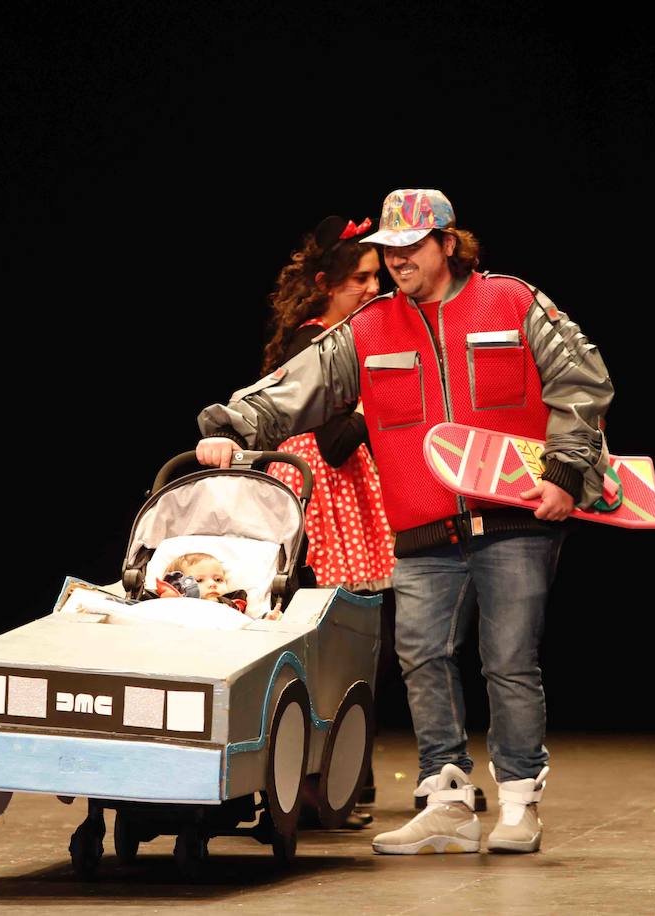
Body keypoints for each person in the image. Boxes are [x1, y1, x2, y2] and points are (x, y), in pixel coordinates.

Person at [196, 189, 614, 855]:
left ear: (448, 243)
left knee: (508, 662)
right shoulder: (369, 328)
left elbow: (583, 381)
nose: (396, 262)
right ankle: (444, 798)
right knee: (422, 659)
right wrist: (230, 426)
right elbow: (295, 388)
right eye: (389, 251)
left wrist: (565, 473)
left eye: (411, 247)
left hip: (514, 523)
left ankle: (518, 802)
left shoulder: (510, 301)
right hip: (421, 531)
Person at [258, 215, 397, 829]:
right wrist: (384, 393)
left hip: (345, 503)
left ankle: (343, 776)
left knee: (353, 641)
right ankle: (310, 781)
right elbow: (337, 442)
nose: (373, 287)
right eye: (359, 279)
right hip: (319, 504)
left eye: (377, 276)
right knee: (326, 641)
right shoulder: (314, 346)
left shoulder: (344, 341)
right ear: (325, 284)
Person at [155, 552, 248, 612]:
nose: (212, 584)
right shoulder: (177, 599)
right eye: (199, 580)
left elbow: (238, 611)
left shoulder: (232, 602)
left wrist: (219, 602)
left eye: (218, 580)